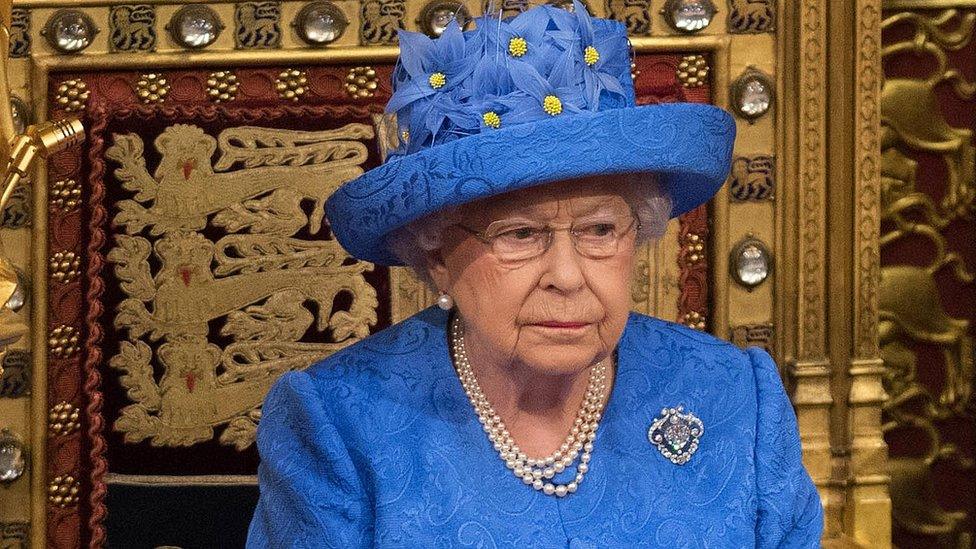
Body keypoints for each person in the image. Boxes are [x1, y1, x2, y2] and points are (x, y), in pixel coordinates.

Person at [246, 2, 823, 546]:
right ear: (439, 258)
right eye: (521, 235)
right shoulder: (338, 422)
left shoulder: (733, 395)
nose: (567, 276)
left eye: (600, 230)